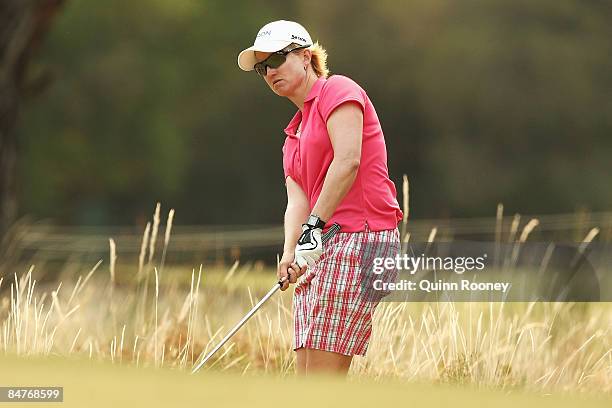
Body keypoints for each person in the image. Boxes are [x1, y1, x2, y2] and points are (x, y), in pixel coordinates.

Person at [237, 20, 403, 376]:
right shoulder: (293, 135)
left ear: (304, 56)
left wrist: (313, 228)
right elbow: (296, 203)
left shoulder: (338, 90)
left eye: (277, 59)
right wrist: (289, 253)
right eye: (262, 68)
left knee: (321, 380)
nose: (269, 72)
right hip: (326, 246)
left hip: (363, 239)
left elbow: (348, 161)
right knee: (307, 375)